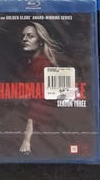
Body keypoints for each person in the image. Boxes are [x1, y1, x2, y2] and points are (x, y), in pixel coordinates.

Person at [19, 22, 63, 155]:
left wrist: (27, 139)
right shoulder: (33, 62)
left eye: (30, 36)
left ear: (40, 41)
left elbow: (37, 103)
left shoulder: (41, 64)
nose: (24, 39)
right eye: (23, 36)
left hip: (38, 125)